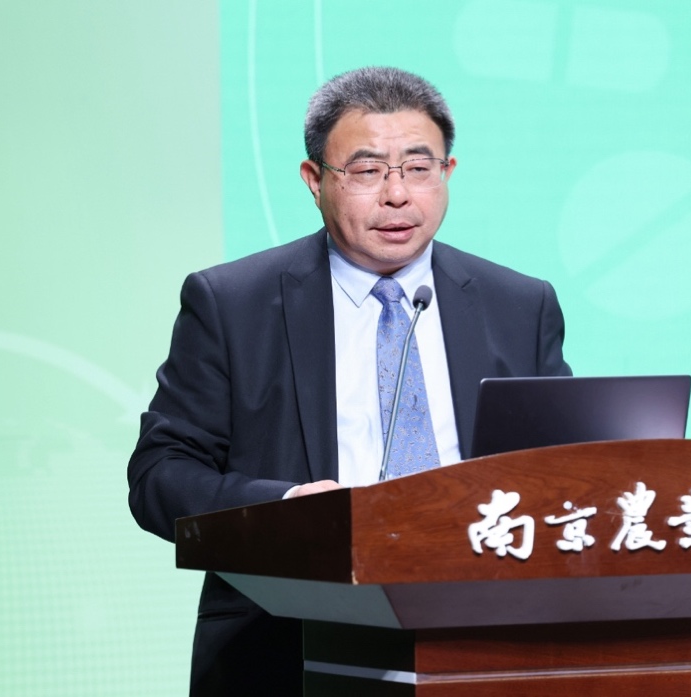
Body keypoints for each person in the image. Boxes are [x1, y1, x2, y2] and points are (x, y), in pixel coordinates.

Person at [128, 66, 571, 695]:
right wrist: (286, 510)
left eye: (419, 168)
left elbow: (565, 471)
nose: (398, 195)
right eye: (367, 171)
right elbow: (159, 476)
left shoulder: (518, 305)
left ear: (448, 172)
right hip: (291, 644)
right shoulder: (233, 304)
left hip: (486, 645)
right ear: (315, 180)